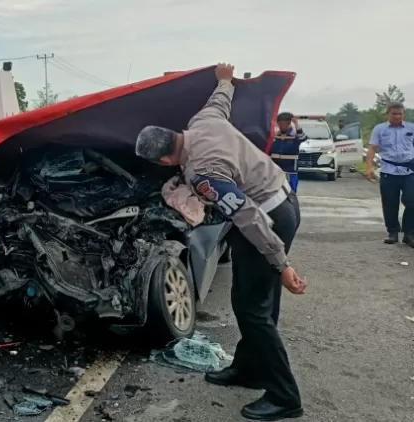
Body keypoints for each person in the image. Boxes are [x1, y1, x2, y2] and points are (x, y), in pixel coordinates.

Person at [134, 64, 306, 421]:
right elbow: (220, 100)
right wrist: (225, 79)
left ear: (165, 159)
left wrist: (281, 264)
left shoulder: (203, 174)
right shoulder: (202, 122)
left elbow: (247, 217)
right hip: (280, 199)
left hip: (268, 217)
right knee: (251, 298)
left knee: (254, 308)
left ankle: (284, 396)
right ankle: (249, 368)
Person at [365, 103, 414, 246]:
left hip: (409, 170)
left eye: (400, 114)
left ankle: (409, 233)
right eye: (394, 114)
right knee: (390, 203)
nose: (397, 116)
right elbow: (372, 149)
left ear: (404, 114)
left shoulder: (411, 128)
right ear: (388, 114)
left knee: (412, 201)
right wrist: (369, 168)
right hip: (388, 171)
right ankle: (392, 232)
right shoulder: (380, 129)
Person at [271, 112, 307, 192]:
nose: (280, 126)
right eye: (279, 124)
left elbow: (303, 137)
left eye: (282, 124)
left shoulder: (294, 135)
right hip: (276, 169)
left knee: (291, 190)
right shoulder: (275, 136)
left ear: (288, 123)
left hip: (290, 169)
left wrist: (296, 123)